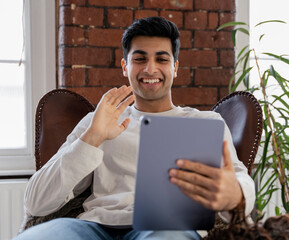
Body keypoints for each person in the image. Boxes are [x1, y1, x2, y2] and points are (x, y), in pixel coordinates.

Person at [14, 16, 255, 240]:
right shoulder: (97, 121)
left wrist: (235, 195)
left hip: (166, 227)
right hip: (95, 227)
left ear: (175, 68)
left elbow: (239, 179)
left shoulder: (206, 123)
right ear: (124, 66)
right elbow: (36, 202)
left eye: (162, 59)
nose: (150, 69)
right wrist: (92, 137)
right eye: (139, 59)